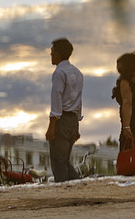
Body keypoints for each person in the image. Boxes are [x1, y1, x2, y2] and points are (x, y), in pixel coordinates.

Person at [45, 38, 83, 182]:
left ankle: (66, 192)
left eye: (52, 52)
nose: (51, 55)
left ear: (59, 54)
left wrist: (51, 126)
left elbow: (57, 101)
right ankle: (77, 186)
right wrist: (76, 125)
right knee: (65, 161)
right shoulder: (78, 73)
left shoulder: (59, 73)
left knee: (58, 162)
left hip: (62, 121)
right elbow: (79, 101)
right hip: (72, 120)